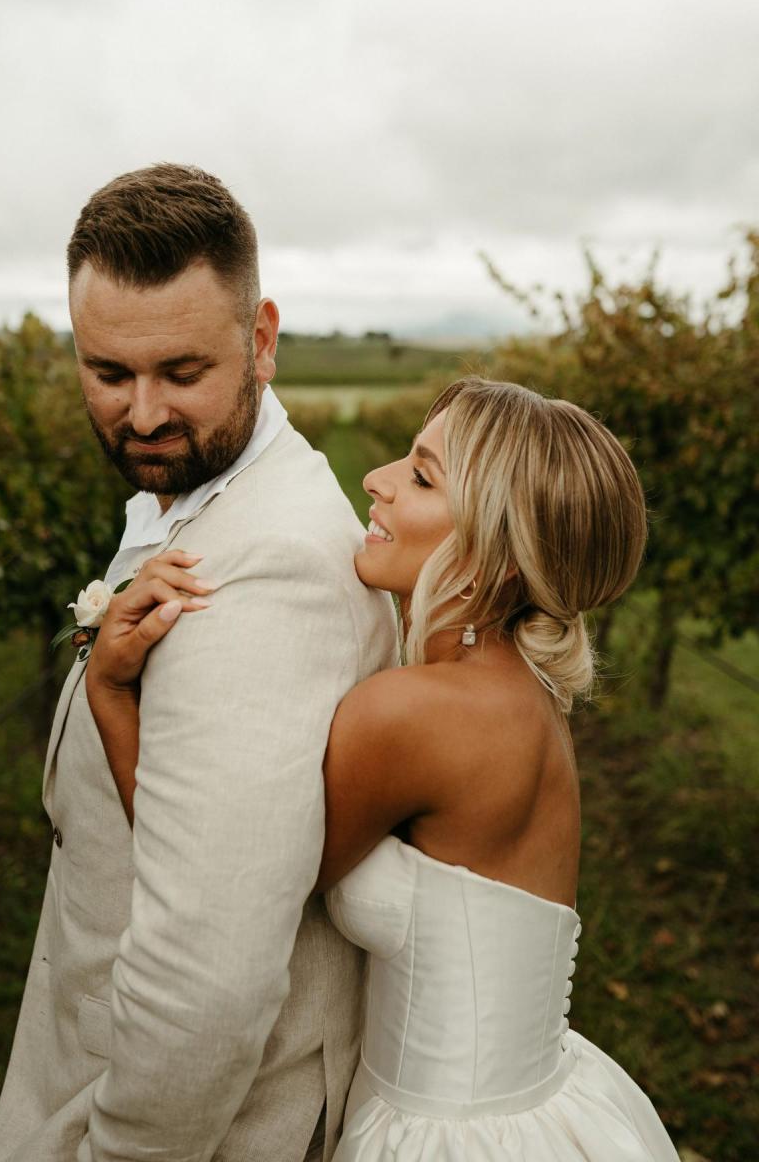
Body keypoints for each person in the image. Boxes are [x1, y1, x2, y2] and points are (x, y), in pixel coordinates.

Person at [88, 376, 681, 1160]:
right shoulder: (515, 689)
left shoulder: (415, 714)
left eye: (423, 475)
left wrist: (112, 694)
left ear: (495, 555)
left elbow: (230, 885)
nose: (377, 478)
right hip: (542, 1106)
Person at [0, 164, 399, 1162]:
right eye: (108, 373)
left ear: (259, 341)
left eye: (181, 372)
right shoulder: (183, 495)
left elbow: (205, 982)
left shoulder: (270, 579)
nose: (141, 417)